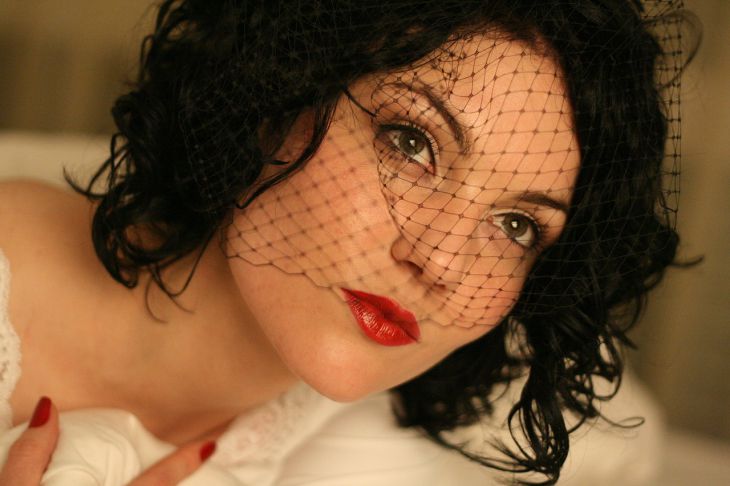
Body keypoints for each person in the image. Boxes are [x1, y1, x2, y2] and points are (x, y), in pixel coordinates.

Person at [0, 0, 690, 484]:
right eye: (411, 143)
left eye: (516, 227)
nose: (442, 261)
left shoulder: (363, 445)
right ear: (274, 96)